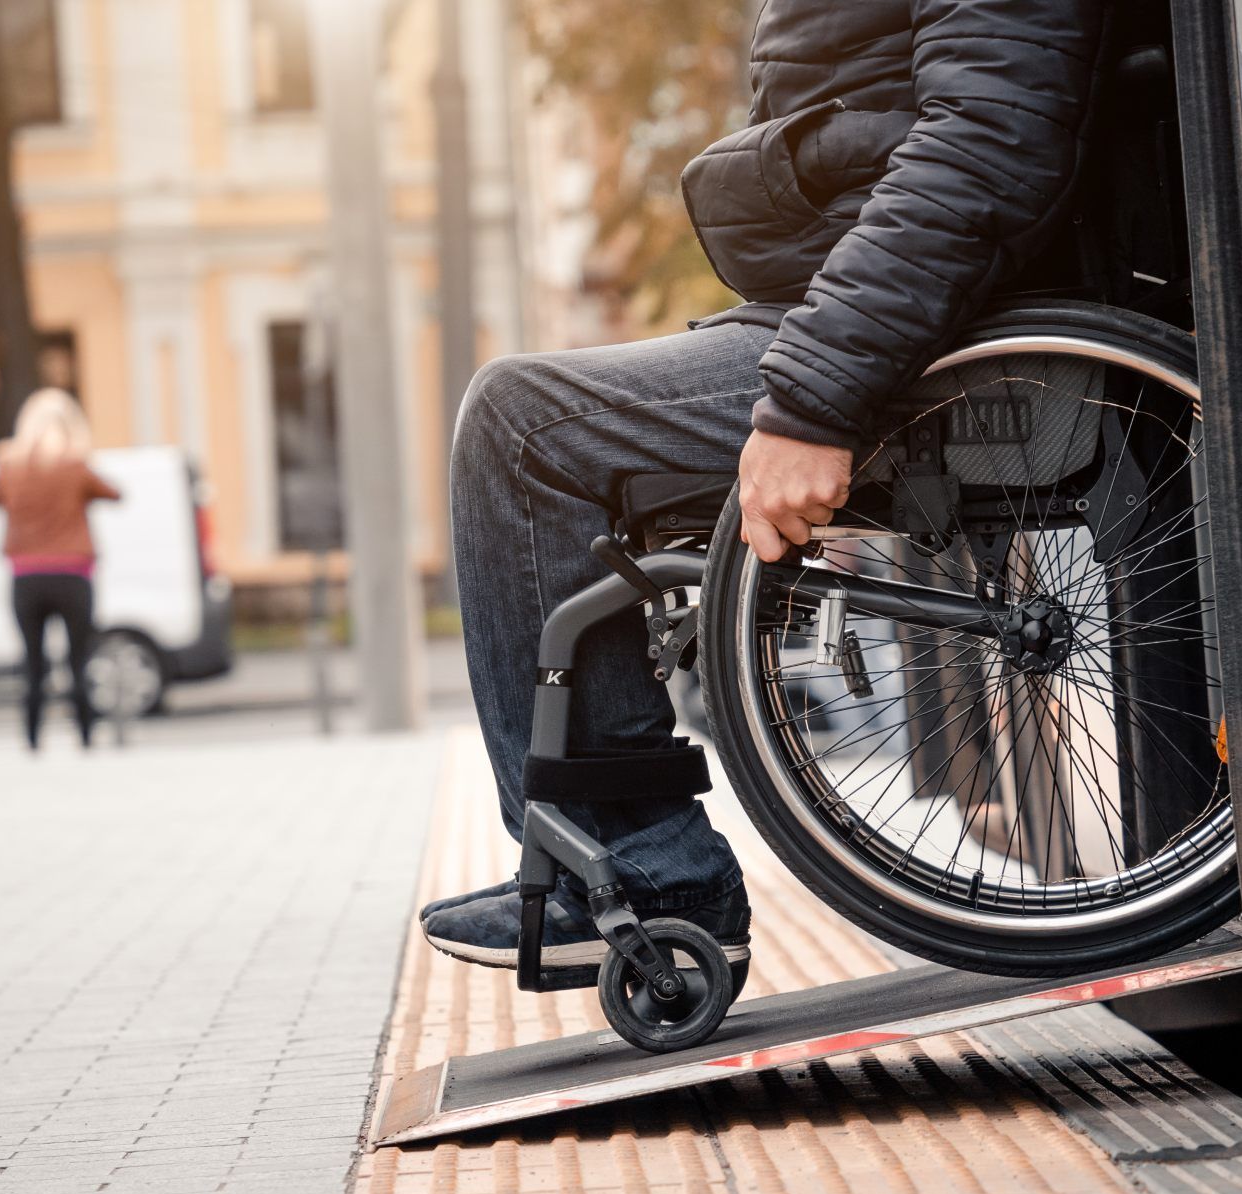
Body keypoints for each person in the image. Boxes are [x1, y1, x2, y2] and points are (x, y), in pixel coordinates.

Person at [421, 0, 1112, 980]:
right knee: (531, 416)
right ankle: (634, 857)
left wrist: (810, 404)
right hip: (880, 317)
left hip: (936, 341)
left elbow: (991, 144)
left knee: (521, 427)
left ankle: (638, 870)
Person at [0, 388, 120, 751]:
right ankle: (85, 735)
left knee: (33, 661)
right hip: (73, 574)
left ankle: (32, 739)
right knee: (78, 659)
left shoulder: (10, 465)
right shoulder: (75, 466)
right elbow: (114, 493)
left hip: (26, 576)